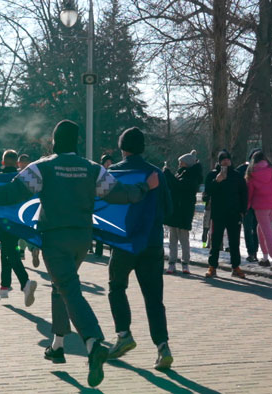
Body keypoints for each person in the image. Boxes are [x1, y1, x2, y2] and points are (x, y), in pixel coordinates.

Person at [0, 120, 159, 388]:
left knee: (68, 288)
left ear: (54, 141)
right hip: (82, 239)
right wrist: (146, 187)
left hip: (54, 238)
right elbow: (121, 196)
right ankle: (57, 344)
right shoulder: (93, 169)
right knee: (61, 286)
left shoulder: (42, 167)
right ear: (76, 142)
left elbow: (12, 193)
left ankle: (93, 343)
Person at [106, 127, 174, 371]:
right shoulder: (156, 173)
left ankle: (124, 334)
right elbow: (168, 208)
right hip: (152, 242)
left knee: (116, 287)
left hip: (124, 243)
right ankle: (162, 347)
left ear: (122, 148)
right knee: (154, 298)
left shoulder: (113, 173)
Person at [0, 149, 38, 306]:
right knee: (7, 250)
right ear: (17, 162)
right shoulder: (22, 178)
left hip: (4, 220)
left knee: (9, 251)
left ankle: (25, 282)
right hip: (18, 219)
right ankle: (4, 285)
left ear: (3, 162)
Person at [204, 150, 248, 279]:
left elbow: (244, 194)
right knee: (216, 241)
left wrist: (243, 210)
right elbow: (206, 194)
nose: (226, 161)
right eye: (223, 159)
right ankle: (212, 267)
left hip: (234, 214)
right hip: (218, 214)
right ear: (219, 161)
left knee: (234, 242)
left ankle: (236, 267)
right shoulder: (212, 175)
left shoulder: (237, 175)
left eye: (228, 159)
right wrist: (217, 181)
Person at [163, 150, 202, 274]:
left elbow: (179, 186)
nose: (179, 164)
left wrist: (168, 174)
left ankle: (185, 263)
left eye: (181, 162)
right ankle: (172, 262)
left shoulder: (192, 177)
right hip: (176, 212)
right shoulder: (180, 174)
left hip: (184, 212)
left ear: (187, 163)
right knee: (172, 240)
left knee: (183, 240)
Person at [245, 151, 272, 272]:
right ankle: (265, 258)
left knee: (267, 232)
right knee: (260, 229)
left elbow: (250, 193)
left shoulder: (251, 173)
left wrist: (246, 207)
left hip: (261, 207)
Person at [236, 148, 262, 262]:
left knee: (255, 228)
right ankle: (251, 252)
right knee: (248, 229)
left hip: (257, 203)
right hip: (247, 204)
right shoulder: (242, 169)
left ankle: (254, 251)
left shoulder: (262, 170)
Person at [92, 154, 114, 257]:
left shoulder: (113, 173)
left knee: (110, 230)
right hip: (101, 205)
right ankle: (98, 251)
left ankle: (112, 251)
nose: (109, 164)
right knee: (100, 228)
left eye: (110, 162)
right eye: (107, 162)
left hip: (110, 205)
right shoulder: (99, 173)